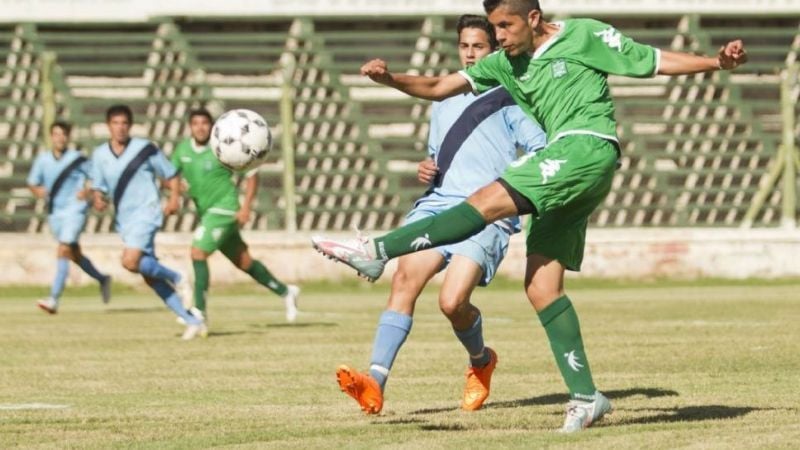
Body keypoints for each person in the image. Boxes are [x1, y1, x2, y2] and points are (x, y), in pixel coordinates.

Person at [312, 0, 748, 432]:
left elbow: (652, 60)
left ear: (533, 19)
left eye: (505, 25)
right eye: (494, 28)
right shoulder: (503, 65)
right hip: (574, 173)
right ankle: (586, 397)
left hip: (585, 146)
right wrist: (390, 80)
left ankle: (377, 250)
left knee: (485, 200)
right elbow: (438, 86)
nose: (498, 36)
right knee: (541, 286)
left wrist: (714, 61)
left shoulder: (583, 35)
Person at [333, 15, 546, 416]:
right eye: (464, 46)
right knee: (405, 277)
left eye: (478, 47)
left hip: (484, 212)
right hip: (438, 203)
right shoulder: (446, 98)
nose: (469, 54)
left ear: (494, 50)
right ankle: (374, 384)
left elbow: (539, 149)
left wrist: (508, 187)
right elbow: (439, 156)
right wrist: (427, 167)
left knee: (452, 302)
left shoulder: (510, 96)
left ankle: (481, 361)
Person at [170, 108, 299, 326]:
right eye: (195, 123)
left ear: (212, 127)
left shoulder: (222, 147)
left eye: (204, 123)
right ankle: (287, 292)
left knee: (198, 252)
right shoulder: (182, 149)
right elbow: (169, 174)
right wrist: (174, 192)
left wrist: (246, 207)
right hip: (206, 212)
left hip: (225, 209)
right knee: (244, 262)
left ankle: (199, 311)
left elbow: (251, 175)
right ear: (190, 126)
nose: (200, 127)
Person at [90, 104, 205, 340]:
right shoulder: (100, 155)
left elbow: (171, 174)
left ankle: (178, 276)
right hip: (125, 219)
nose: (120, 128)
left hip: (148, 212)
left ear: (130, 126)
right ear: (108, 126)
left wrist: (174, 199)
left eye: (124, 123)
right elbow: (98, 187)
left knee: (130, 261)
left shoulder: (145, 149)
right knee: (149, 274)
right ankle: (192, 320)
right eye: (115, 123)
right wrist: (98, 199)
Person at [27, 121, 111, 313]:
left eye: (63, 134)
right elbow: (32, 182)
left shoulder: (78, 158)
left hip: (75, 210)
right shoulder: (43, 160)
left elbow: (98, 176)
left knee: (63, 249)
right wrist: (37, 190)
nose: (60, 138)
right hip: (55, 213)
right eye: (56, 134)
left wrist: (88, 191)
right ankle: (102, 279)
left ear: (68, 136)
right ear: (51, 137)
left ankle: (53, 299)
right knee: (74, 254)